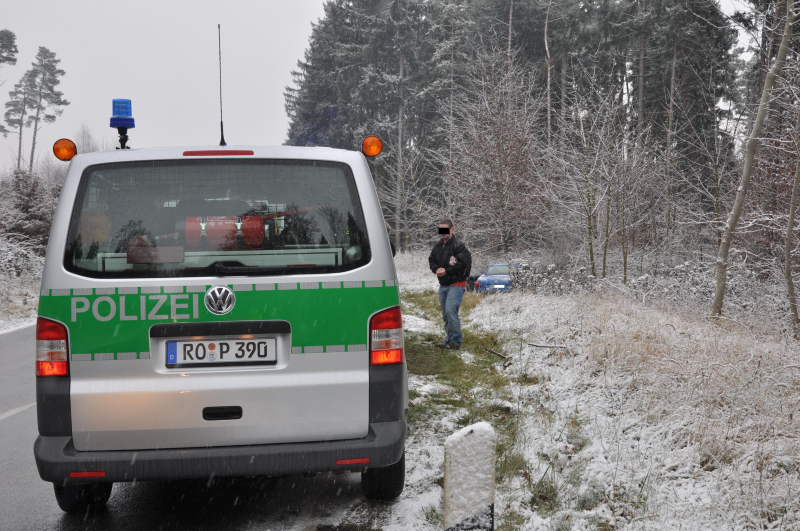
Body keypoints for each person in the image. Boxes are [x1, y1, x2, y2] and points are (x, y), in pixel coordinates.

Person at [428, 219, 471, 349]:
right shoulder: (438, 246)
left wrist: (446, 271)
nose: (443, 232)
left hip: (457, 284)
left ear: (452, 229)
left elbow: (464, 264)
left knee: (450, 311)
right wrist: (436, 269)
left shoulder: (459, 246)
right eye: (441, 230)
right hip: (444, 285)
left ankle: (456, 341)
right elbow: (431, 260)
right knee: (446, 314)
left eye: (445, 229)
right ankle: (449, 340)